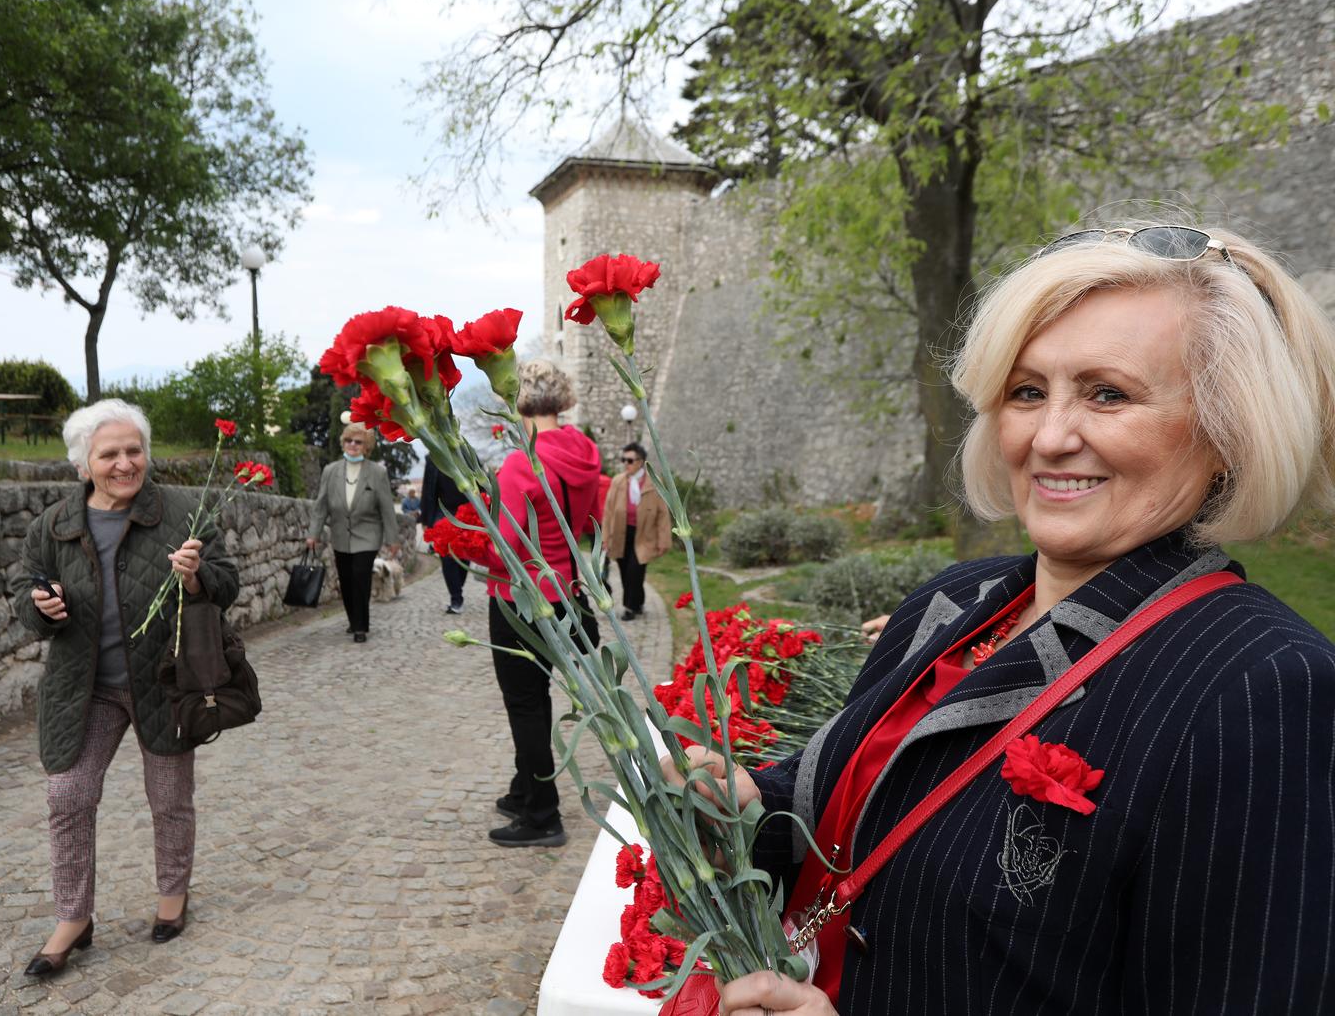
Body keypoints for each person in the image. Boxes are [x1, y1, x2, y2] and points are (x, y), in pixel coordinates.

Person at [664, 225, 1335, 1015]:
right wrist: (745, 807)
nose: (1049, 437)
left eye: (1107, 393)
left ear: (1226, 431)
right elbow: (864, 805)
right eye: (1026, 391)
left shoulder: (1258, 685)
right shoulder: (952, 601)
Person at [11, 399, 239, 977]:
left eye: (134, 450)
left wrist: (197, 577)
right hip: (84, 688)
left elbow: (227, 583)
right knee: (68, 794)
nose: (124, 463)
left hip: (165, 683)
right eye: (109, 453)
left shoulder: (182, 512)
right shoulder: (53, 525)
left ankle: (172, 895)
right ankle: (73, 918)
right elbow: (23, 595)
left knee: (169, 797)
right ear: (83, 464)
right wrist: (40, 607)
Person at [485, 359, 605, 848]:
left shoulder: (523, 461)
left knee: (525, 704)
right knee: (537, 700)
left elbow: (503, 546)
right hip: (567, 595)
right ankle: (523, 789)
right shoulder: (586, 454)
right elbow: (590, 522)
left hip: (522, 601)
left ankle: (541, 815)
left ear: (515, 397)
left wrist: (471, 531)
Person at [307, 422, 399, 643]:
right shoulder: (331, 471)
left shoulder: (377, 472)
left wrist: (392, 539)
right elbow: (321, 505)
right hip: (340, 534)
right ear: (343, 443)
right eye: (349, 440)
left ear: (366, 447)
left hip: (368, 534)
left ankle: (361, 627)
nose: (353, 445)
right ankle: (352, 620)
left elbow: (387, 508)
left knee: (360, 577)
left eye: (358, 442)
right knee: (346, 580)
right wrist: (313, 534)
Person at [603, 441, 671, 620]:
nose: (626, 464)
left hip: (644, 535)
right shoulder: (618, 481)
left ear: (641, 462)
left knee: (635, 570)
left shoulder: (653, 482)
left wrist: (664, 539)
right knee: (625, 571)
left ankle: (630, 608)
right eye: (623, 460)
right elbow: (608, 511)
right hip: (621, 533)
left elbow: (663, 513)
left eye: (630, 460)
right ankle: (638, 602)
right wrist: (604, 538)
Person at [420, 455, 469, 614]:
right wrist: (426, 519)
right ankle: (456, 598)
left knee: (464, 557)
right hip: (442, 513)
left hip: (466, 512)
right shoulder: (433, 458)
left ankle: (457, 588)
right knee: (447, 558)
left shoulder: (466, 453)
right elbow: (428, 489)